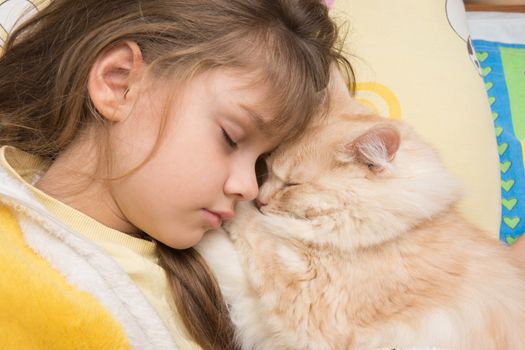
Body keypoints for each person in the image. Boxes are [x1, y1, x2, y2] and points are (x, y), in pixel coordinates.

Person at [0, 0, 352, 349]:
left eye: (261, 162)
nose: (248, 187)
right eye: (230, 138)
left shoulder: (223, 283)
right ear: (119, 82)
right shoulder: (15, 270)